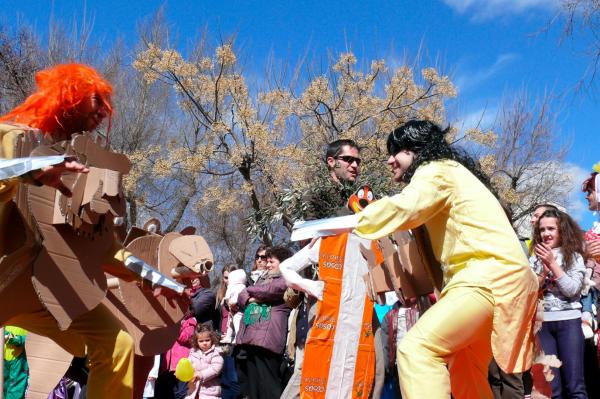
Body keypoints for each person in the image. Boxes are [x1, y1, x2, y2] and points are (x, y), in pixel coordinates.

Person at [352, 120, 538, 398]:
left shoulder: (435, 171)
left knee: (417, 350)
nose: (390, 160)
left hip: (487, 278)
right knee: (466, 371)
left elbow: (405, 207)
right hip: (502, 283)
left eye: (398, 151)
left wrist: (354, 221)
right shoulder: (453, 175)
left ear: (419, 150)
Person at [0, 63, 137, 398]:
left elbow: (98, 246)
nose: (102, 114)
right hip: (6, 272)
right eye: (97, 102)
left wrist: (154, 276)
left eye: (106, 105)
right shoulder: (11, 134)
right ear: (69, 98)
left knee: (117, 344)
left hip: (41, 286)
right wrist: (31, 172)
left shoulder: (81, 164)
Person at [530, 209, 588, 398]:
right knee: (551, 389)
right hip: (543, 325)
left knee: (575, 386)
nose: (546, 234)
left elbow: (572, 290)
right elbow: (529, 292)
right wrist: (543, 272)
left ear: (562, 230)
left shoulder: (575, 256)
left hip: (569, 322)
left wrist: (553, 265)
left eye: (551, 229)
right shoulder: (533, 258)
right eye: (542, 229)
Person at [235, 246, 293, 399]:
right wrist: (251, 295)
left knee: (268, 387)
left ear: (283, 263)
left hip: (267, 341)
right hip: (251, 338)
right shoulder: (262, 278)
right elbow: (241, 295)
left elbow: (273, 289)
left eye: (271, 261)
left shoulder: (287, 278)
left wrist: (251, 292)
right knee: (253, 388)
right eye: (266, 261)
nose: (267, 265)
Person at [185, 324, 224, 399]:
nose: (204, 343)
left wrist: (201, 374)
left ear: (212, 339)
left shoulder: (216, 352)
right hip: (194, 389)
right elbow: (188, 365)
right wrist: (182, 371)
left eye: (207, 340)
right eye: (201, 341)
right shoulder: (194, 352)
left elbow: (216, 369)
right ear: (197, 342)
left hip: (209, 390)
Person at [220, 268, 247, 344]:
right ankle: (228, 336)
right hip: (231, 312)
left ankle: (238, 337)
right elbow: (227, 296)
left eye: (229, 278)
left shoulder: (242, 287)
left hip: (239, 311)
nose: (228, 280)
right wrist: (224, 300)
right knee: (230, 323)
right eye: (226, 278)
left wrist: (234, 302)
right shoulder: (231, 287)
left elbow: (242, 296)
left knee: (237, 322)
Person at [3, 326, 29, 399]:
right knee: (4, 385)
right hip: (4, 355)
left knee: (16, 388)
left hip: (19, 357)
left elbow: (33, 339)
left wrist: (17, 339)